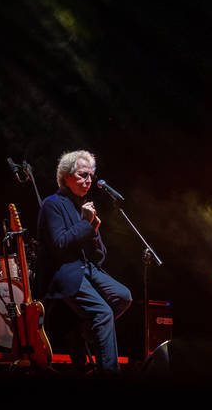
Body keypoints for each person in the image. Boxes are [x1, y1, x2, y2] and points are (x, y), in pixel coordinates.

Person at [35, 150, 132, 376]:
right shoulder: (52, 204)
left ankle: (83, 329)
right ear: (66, 177)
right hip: (63, 273)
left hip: (85, 269)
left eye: (91, 175)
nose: (88, 180)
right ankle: (108, 372)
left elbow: (99, 256)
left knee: (124, 296)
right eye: (82, 175)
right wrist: (86, 225)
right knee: (103, 313)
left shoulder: (83, 206)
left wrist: (94, 231)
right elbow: (59, 244)